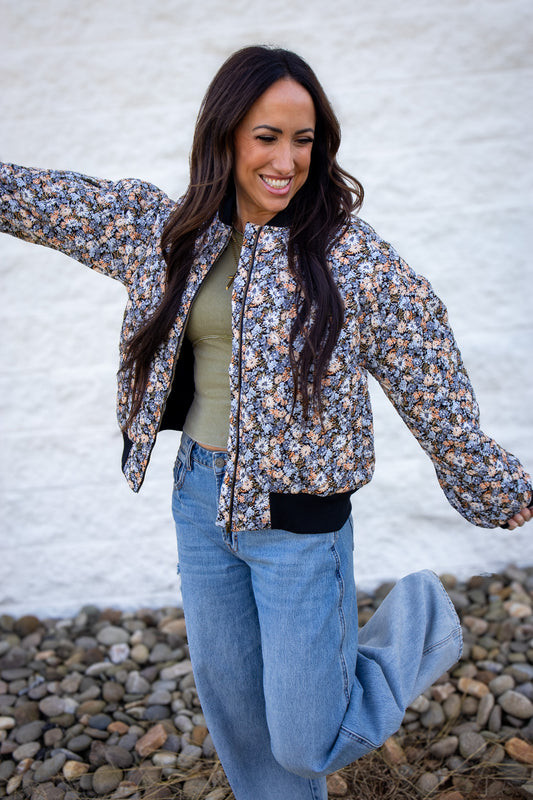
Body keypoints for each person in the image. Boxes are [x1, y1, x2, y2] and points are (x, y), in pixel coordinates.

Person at [1, 45, 531, 800]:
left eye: (303, 140)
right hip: (199, 498)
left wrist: (488, 480)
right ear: (225, 135)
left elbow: (426, 368)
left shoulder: (351, 257)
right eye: (267, 137)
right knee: (243, 726)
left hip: (297, 521)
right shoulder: (168, 230)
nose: (286, 161)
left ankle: (423, 618)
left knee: (309, 740)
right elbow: (46, 202)